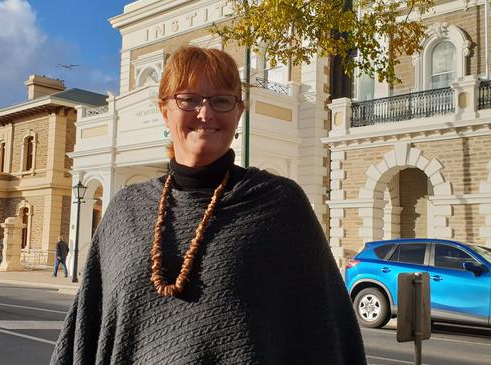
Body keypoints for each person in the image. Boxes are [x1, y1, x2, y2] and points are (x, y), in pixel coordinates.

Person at [50, 46, 366, 364]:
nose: (206, 113)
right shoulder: (126, 211)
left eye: (221, 100)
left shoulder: (281, 207)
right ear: (165, 110)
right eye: (188, 99)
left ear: (239, 111)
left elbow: (326, 335)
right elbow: (87, 330)